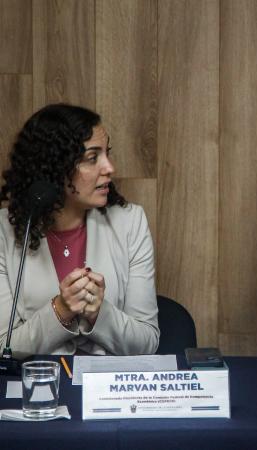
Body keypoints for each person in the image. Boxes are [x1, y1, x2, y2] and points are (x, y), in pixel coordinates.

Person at [0, 104, 159, 355]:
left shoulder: (130, 222)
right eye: (92, 158)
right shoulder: (4, 232)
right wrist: (60, 311)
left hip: (108, 379)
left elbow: (146, 341)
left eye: (107, 154)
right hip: (40, 378)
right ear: (55, 166)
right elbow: (3, 347)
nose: (109, 168)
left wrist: (98, 314)